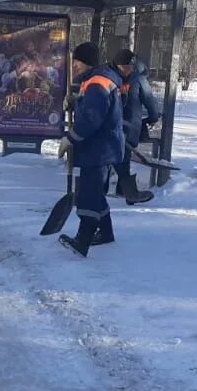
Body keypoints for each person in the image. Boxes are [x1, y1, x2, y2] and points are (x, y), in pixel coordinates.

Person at [58, 42, 125, 257]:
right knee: (96, 191)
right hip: (101, 147)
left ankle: (83, 240)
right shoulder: (95, 80)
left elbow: (92, 119)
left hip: (99, 149)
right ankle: (106, 233)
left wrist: (70, 138)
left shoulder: (97, 83)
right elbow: (91, 107)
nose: (74, 66)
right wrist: (75, 101)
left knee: (88, 194)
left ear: (86, 62)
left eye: (77, 62)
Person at [110, 49, 161, 205]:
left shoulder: (138, 79)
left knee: (123, 156)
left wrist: (153, 117)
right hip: (115, 124)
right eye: (124, 67)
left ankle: (127, 191)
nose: (128, 70)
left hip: (129, 125)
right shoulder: (111, 77)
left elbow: (150, 101)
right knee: (117, 156)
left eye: (130, 66)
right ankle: (125, 191)